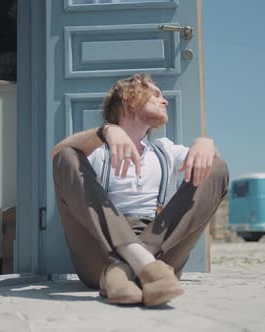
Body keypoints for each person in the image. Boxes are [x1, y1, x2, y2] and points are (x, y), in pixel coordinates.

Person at [51, 74, 229, 307]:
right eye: (155, 94)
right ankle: (142, 266)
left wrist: (206, 143)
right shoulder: (96, 150)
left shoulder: (165, 151)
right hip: (102, 252)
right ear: (129, 99)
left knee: (217, 167)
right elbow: (58, 156)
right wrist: (105, 132)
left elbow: (212, 166)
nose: (164, 101)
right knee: (67, 156)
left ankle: (124, 270)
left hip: (161, 248)